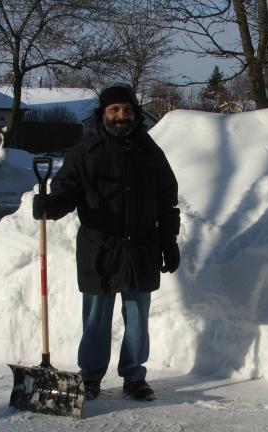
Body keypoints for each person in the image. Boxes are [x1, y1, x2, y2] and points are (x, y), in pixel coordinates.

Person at [32, 83, 180, 401]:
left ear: (135, 114)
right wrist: (51, 206)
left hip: (141, 247)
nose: (121, 116)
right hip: (99, 248)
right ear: (103, 115)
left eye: (127, 110)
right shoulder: (86, 152)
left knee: (138, 319)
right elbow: (66, 191)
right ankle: (91, 377)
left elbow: (167, 201)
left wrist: (169, 241)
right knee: (96, 318)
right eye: (114, 110)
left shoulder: (151, 153)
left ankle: (134, 376)